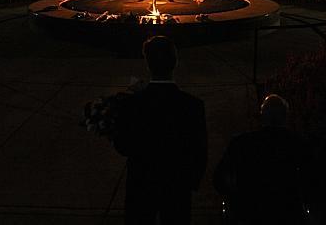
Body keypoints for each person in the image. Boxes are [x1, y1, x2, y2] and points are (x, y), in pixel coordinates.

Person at [114, 36, 208, 225]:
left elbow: (122, 145)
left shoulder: (132, 104)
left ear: (147, 64)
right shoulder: (192, 106)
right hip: (177, 186)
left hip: (141, 184)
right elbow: (199, 152)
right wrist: (188, 183)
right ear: (175, 63)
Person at [214, 94, 309, 225]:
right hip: (288, 214)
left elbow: (219, 179)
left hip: (250, 214)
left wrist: (237, 197)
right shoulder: (297, 143)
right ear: (285, 116)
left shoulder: (241, 144)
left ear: (262, 115)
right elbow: (311, 179)